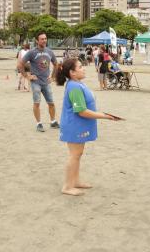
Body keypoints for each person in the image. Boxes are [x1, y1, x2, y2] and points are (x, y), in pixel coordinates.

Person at [56, 58, 119, 196]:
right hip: (74, 126)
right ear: (72, 72)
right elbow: (81, 111)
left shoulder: (78, 83)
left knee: (78, 154)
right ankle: (67, 186)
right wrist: (104, 115)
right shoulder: (74, 86)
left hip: (79, 125)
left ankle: (75, 181)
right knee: (74, 155)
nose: (83, 68)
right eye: (80, 67)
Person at [18, 32, 60, 132]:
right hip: (36, 82)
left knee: (51, 103)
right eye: (42, 39)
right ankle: (39, 124)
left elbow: (56, 64)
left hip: (46, 82)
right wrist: (27, 76)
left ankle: (53, 122)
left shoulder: (49, 52)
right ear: (37, 40)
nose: (44, 40)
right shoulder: (32, 52)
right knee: (37, 103)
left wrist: (53, 77)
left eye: (45, 38)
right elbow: (20, 64)